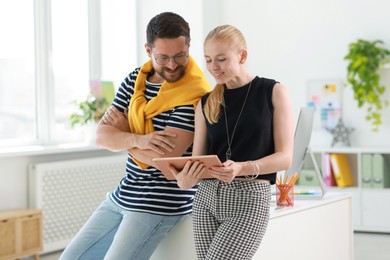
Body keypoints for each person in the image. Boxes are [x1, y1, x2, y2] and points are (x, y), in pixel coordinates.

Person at [60, 12, 210, 260]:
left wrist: (124, 133)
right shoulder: (134, 80)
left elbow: (164, 158)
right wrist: (138, 140)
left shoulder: (194, 94)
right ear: (148, 50)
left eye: (179, 56)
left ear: (189, 47)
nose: (172, 65)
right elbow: (102, 136)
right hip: (124, 193)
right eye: (163, 57)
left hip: (161, 202)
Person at [170, 25, 294, 259]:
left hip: (249, 200)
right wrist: (184, 179)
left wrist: (241, 168)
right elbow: (198, 160)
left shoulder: (273, 91)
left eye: (221, 59)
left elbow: (285, 158)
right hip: (205, 199)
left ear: (243, 56)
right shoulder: (205, 102)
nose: (213, 68)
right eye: (208, 60)